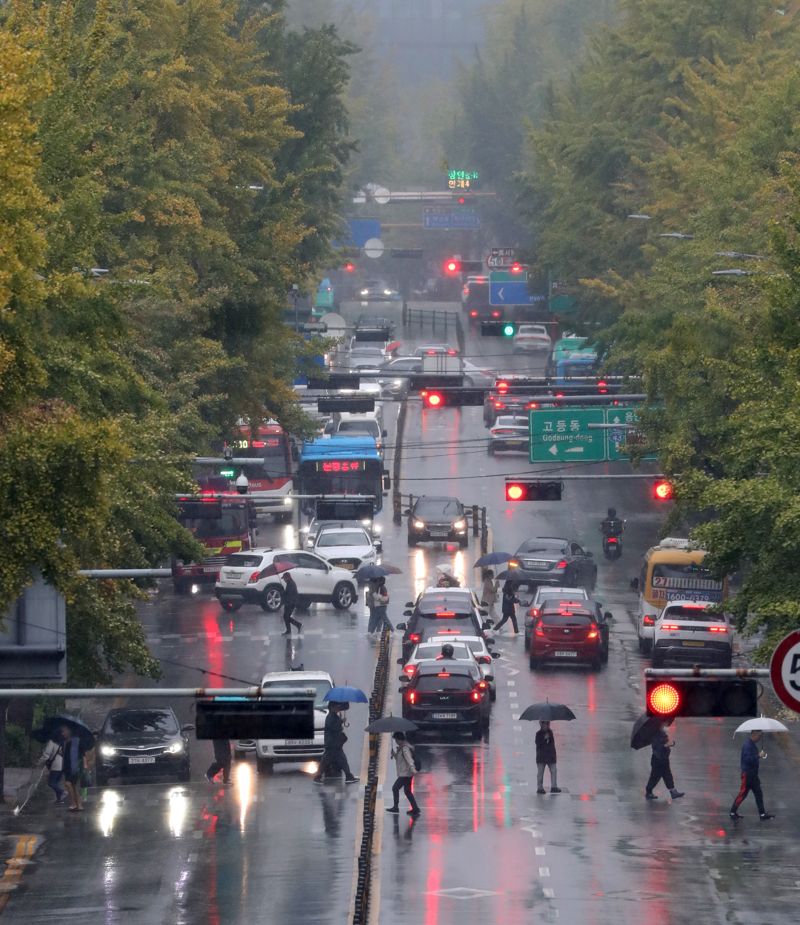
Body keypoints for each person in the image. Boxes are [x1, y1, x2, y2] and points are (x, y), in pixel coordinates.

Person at [730, 730, 773, 820]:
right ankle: (732, 812)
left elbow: (754, 757)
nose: (760, 738)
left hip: (753, 775)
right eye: (759, 736)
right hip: (748, 775)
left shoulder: (752, 744)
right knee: (743, 794)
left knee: (758, 794)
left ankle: (762, 814)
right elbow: (747, 759)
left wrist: (761, 755)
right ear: (754, 735)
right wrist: (758, 756)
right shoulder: (747, 745)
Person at [313, 702, 358, 784]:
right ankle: (317, 777)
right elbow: (334, 727)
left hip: (335, 744)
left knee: (342, 760)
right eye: (336, 706)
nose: (338, 708)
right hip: (332, 744)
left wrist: (340, 721)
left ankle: (349, 776)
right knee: (326, 761)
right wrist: (341, 721)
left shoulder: (334, 716)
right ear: (332, 708)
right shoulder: (330, 717)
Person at [645, 719, 684, 801]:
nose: (666, 725)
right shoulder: (656, 733)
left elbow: (664, 743)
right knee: (655, 776)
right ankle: (648, 791)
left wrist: (669, 744)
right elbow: (658, 746)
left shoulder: (661, 732)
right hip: (658, 759)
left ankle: (673, 791)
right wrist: (666, 745)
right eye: (665, 724)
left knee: (667, 775)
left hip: (663, 758)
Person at [386, 732, 420, 816]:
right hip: (407, 773)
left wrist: (413, 769)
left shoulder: (405, 748)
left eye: (396, 740)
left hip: (405, 774)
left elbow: (409, 760)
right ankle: (415, 808)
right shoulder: (402, 748)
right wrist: (394, 754)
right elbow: (400, 759)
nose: (396, 742)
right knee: (407, 791)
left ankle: (395, 807)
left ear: (399, 739)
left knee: (395, 788)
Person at [60, 724, 85, 812]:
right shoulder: (64, 742)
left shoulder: (76, 741)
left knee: (69, 784)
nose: (62, 733)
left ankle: (74, 803)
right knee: (73, 786)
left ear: (69, 731)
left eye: (64, 731)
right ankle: (78, 804)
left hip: (74, 766)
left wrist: (84, 765)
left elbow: (82, 754)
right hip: (66, 766)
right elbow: (64, 755)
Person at [535, 721, 560, 794]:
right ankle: (540, 788)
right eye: (544, 724)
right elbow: (538, 744)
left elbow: (552, 745)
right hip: (541, 757)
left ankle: (554, 786)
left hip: (550, 756)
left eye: (547, 724)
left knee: (554, 771)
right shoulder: (538, 734)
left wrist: (554, 756)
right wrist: (544, 739)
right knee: (540, 773)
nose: (546, 726)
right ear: (541, 725)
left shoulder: (550, 733)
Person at [39, 736, 65, 804]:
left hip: (56, 765)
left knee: (51, 783)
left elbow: (46, 754)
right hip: (63, 765)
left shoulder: (52, 741)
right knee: (56, 782)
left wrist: (39, 762)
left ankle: (62, 792)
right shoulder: (63, 740)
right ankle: (59, 799)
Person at [281, 569, 302, 636]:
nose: (284, 580)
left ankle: (298, 625)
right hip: (289, 602)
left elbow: (289, 594)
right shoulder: (289, 583)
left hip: (291, 603)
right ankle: (289, 630)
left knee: (286, 616)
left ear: (288, 577)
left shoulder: (291, 584)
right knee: (286, 617)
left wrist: (284, 593)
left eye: (284, 578)